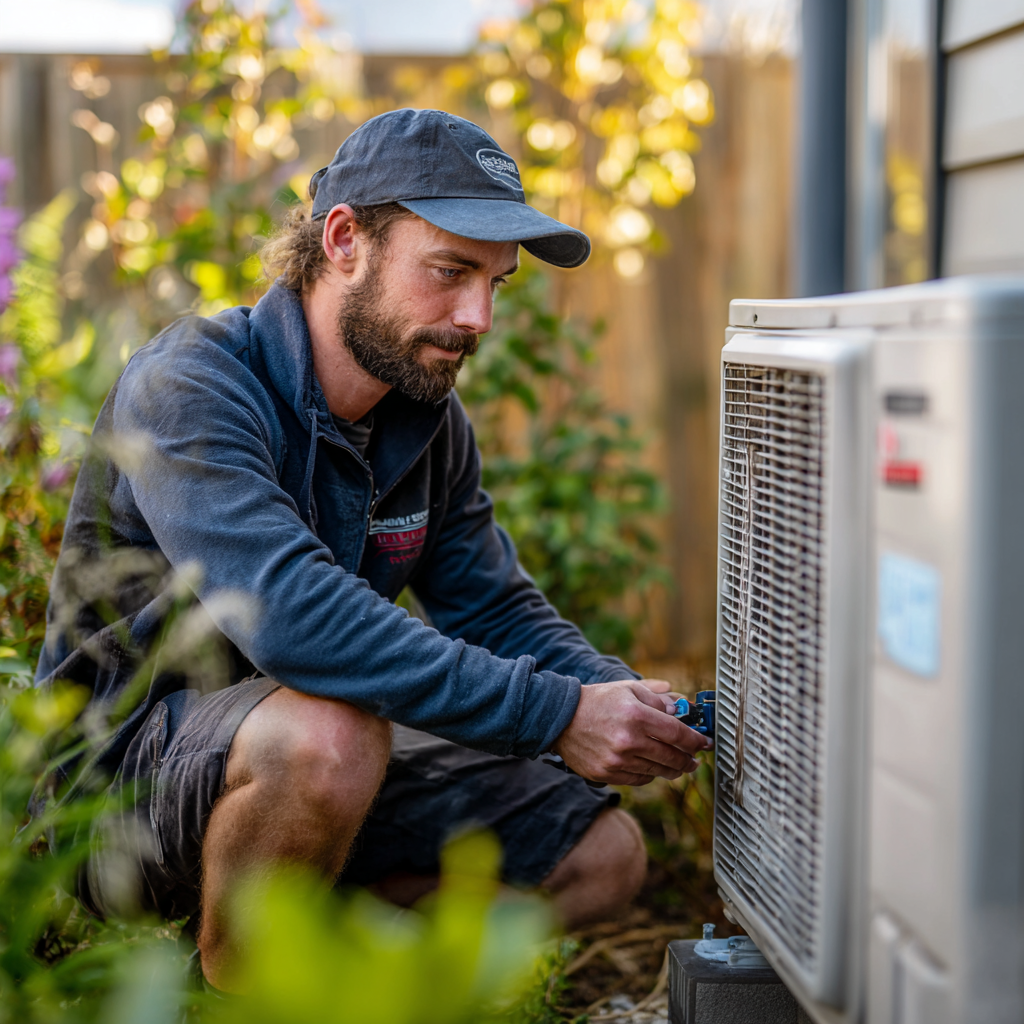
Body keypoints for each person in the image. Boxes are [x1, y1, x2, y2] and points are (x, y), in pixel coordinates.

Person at [36, 108, 710, 990]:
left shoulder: (423, 419)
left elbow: (492, 605)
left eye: (496, 284)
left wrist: (605, 694)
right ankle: (244, 1007)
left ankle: (345, 982)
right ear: (346, 239)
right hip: (118, 794)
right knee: (329, 731)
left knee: (600, 855)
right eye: (449, 272)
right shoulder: (191, 385)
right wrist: (554, 717)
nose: (478, 318)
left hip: (303, 775)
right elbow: (295, 620)